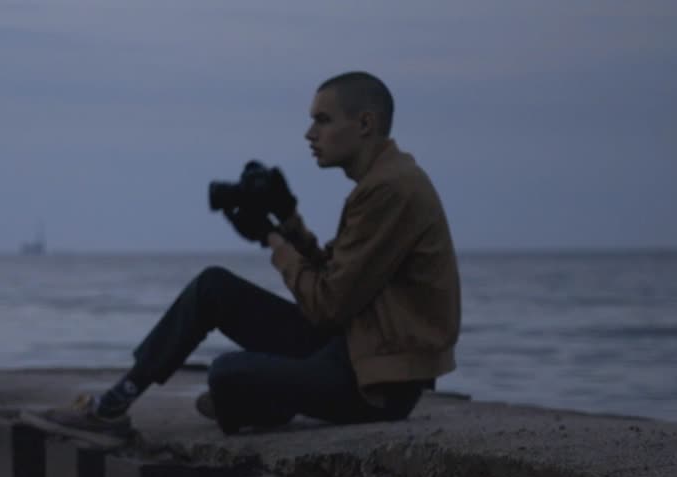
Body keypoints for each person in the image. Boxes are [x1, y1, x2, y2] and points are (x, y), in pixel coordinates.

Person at [35, 71, 461, 437]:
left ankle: (266, 399)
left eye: (323, 120)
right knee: (213, 287)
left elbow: (328, 305)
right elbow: (340, 276)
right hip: (355, 351)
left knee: (227, 373)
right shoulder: (383, 181)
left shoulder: (389, 189)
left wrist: (274, 242)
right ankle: (116, 403)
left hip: (377, 387)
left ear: (365, 123)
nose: (310, 134)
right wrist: (288, 223)